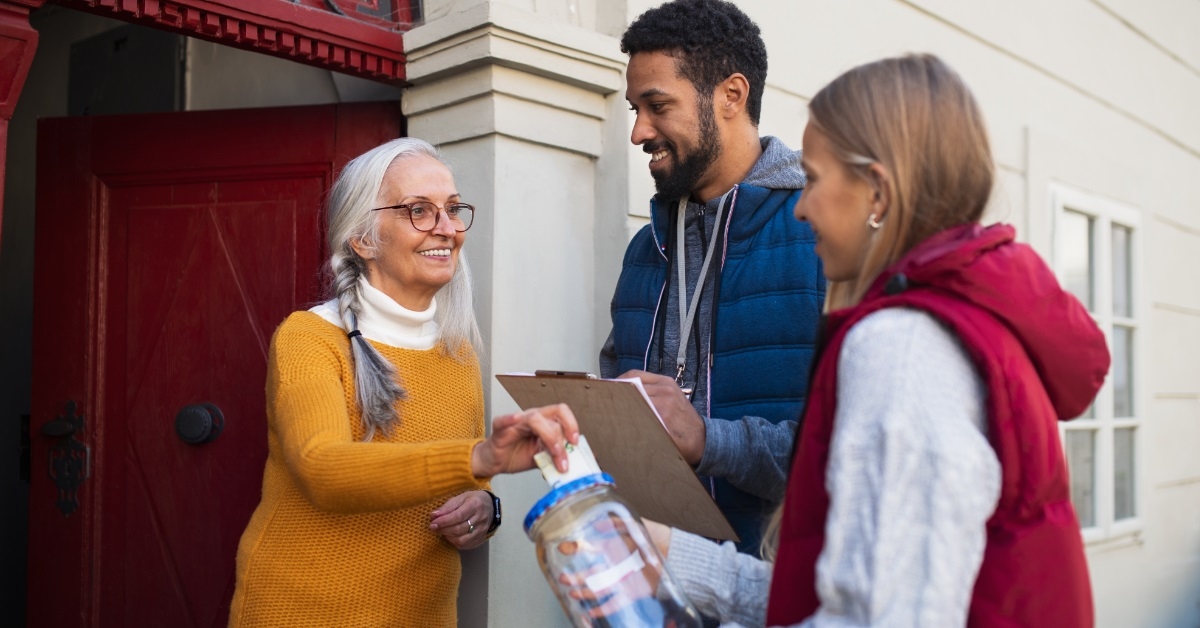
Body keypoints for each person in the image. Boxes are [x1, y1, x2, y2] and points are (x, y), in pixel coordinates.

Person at [644, 54, 1105, 627]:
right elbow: (846, 592)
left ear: (878, 193)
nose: (803, 207)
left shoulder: (901, 347)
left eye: (812, 178)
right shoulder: (958, 319)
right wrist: (664, 552)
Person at [227, 138, 580, 627]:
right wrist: (478, 458)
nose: (447, 228)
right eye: (419, 210)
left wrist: (485, 510)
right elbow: (323, 469)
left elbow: (454, 483)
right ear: (363, 239)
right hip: (304, 611)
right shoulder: (309, 338)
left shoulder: (457, 352)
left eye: (453, 209)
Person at [601, 0, 824, 551]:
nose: (637, 133)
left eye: (656, 106)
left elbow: (854, 454)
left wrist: (710, 441)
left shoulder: (824, 238)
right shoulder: (643, 249)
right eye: (635, 109)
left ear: (731, 95)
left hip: (780, 588)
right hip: (657, 587)